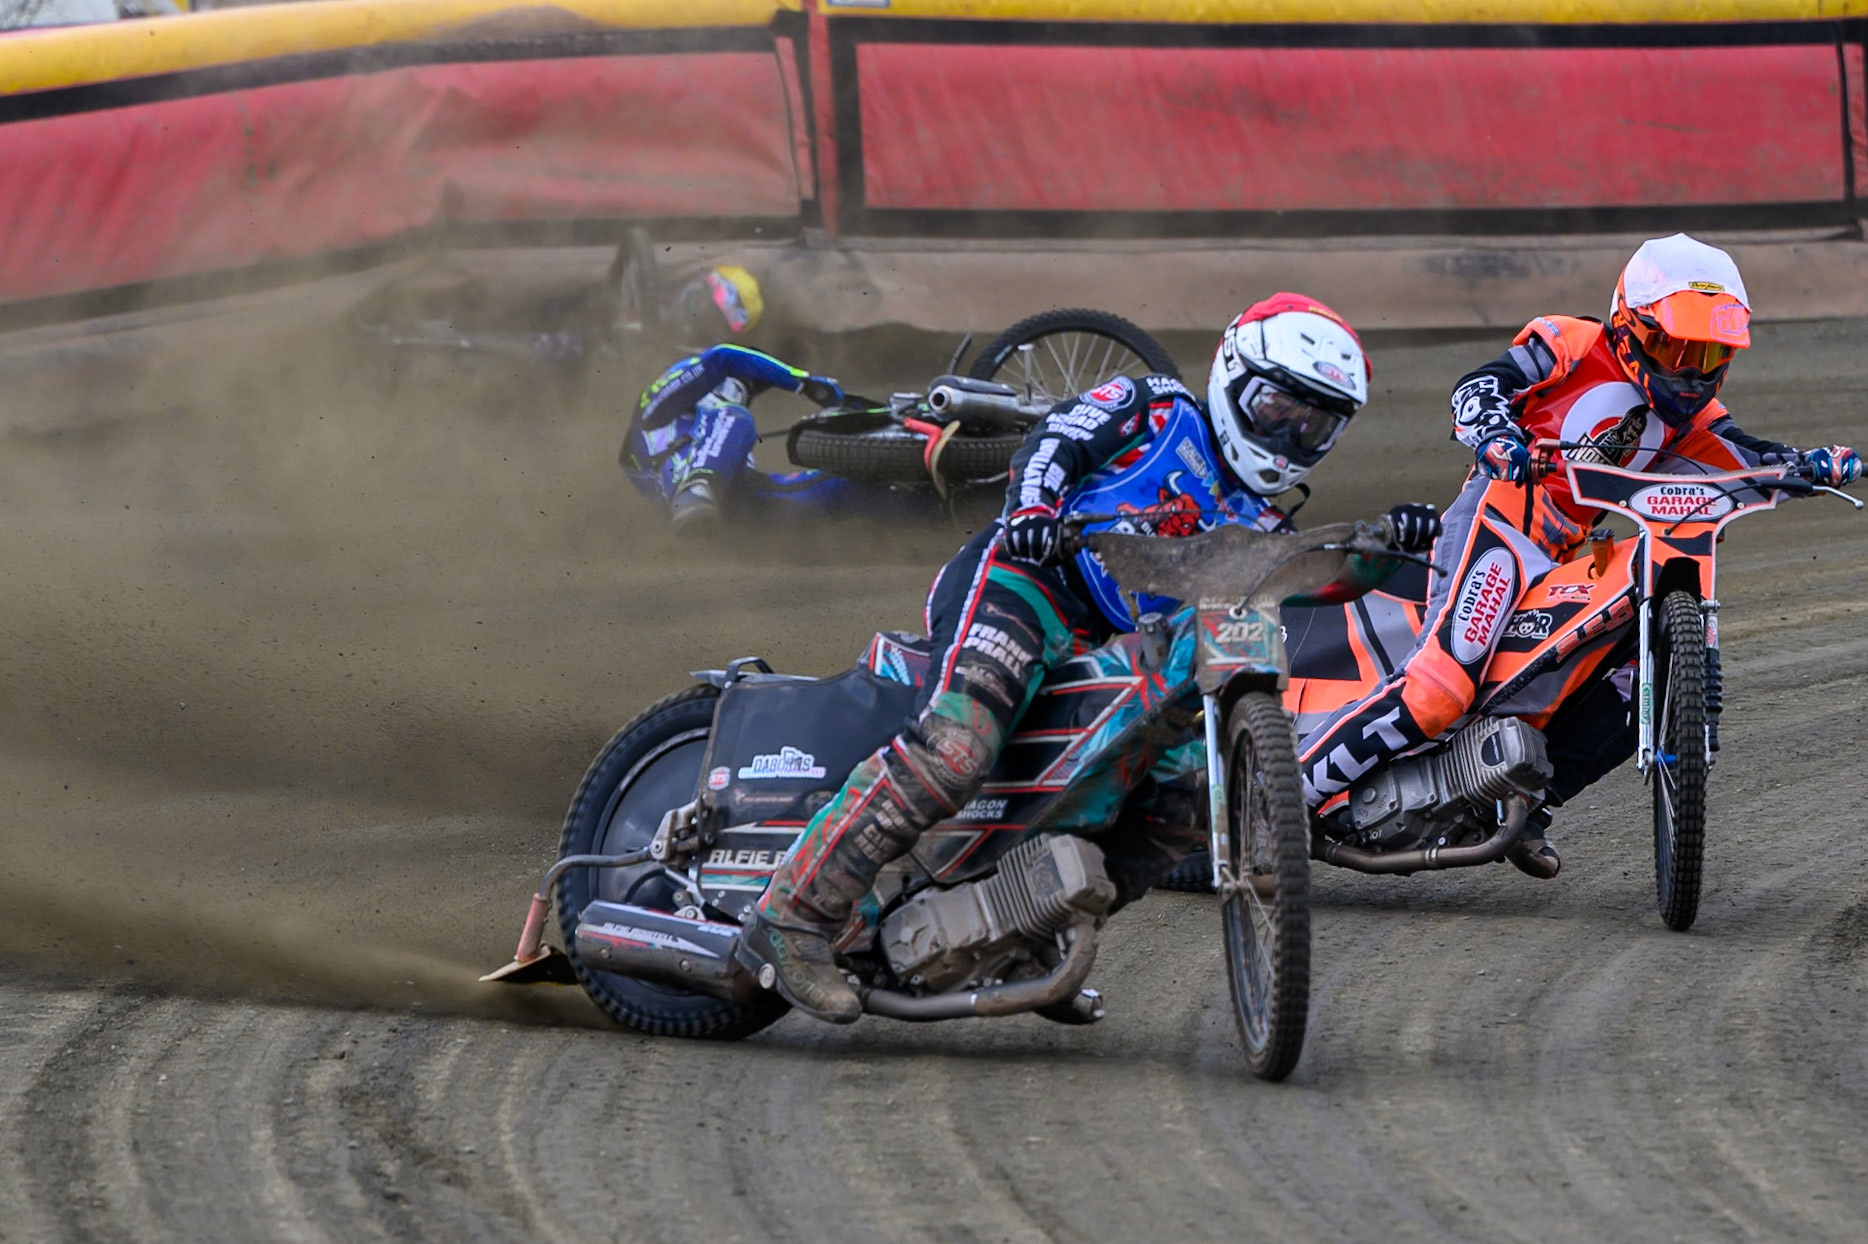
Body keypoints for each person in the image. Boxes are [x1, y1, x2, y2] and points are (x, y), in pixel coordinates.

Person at [734, 292, 1444, 1023]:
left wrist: (1398, 547)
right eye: (1277, 408)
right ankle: (793, 915)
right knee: (956, 749)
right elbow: (1053, 442)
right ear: (1232, 376)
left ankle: (1023, 932)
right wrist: (1036, 513)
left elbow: (1321, 575)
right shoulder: (1158, 407)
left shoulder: (1263, 522)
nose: (1291, 433)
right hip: (1025, 582)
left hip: (1105, 646)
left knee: (1175, 805)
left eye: (1314, 423)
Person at [1295, 234, 1861, 879]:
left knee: (1641, 671)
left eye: (1712, 353)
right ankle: (1285, 797)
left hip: (1571, 559)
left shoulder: (1696, 420)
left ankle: (1524, 803)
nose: (1692, 371)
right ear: (1630, 326)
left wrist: (1814, 465)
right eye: (1677, 348)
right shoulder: (1569, 343)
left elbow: (1749, 458)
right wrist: (1494, 431)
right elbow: (1482, 384)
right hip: (1501, 521)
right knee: (1441, 690)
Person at [619, 265, 855, 535]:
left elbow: (728, 361)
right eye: (707, 305)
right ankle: (695, 488)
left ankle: (905, 502)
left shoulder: (721, 387)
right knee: (734, 414)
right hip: (662, 438)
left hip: (720, 493)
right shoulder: (644, 327)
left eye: (715, 319)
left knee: (833, 486)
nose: (701, 319)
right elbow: (724, 358)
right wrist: (800, 381)